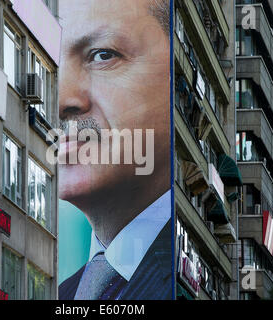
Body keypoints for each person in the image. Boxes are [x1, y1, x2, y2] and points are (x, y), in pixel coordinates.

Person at [58, 0, 172, 300]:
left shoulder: (187, 268)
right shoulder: (63, 292)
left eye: (103, 55)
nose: (63, 99)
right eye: (52, 66)